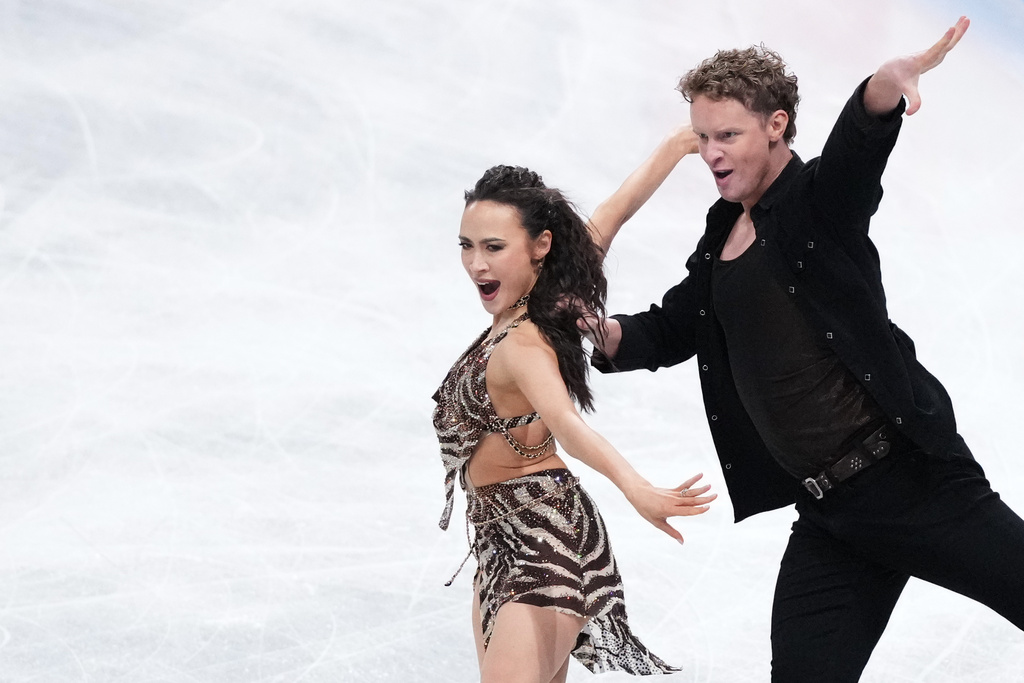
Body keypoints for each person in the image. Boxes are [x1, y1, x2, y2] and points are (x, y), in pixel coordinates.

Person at [584, 16, 1024, 682]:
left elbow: (858, 149)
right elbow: (676, 326)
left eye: (727, 135)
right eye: (702, 137)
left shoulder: (821, 203)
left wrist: (883, 88)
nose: (711, 153)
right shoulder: (722, 231)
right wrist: (602, 332)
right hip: (831, 516)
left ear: (777, 125)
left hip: (913, 482)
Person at [432, 164, 715, 682]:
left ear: (540, 245)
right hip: (498, 539)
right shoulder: (541, 306)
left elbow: (566, 422)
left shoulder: (523, 342)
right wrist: (677, 144)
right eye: (466, 246)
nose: (476, 264)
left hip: (545, 538)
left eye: (494, 247)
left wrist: (636, 487)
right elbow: (611, 215)